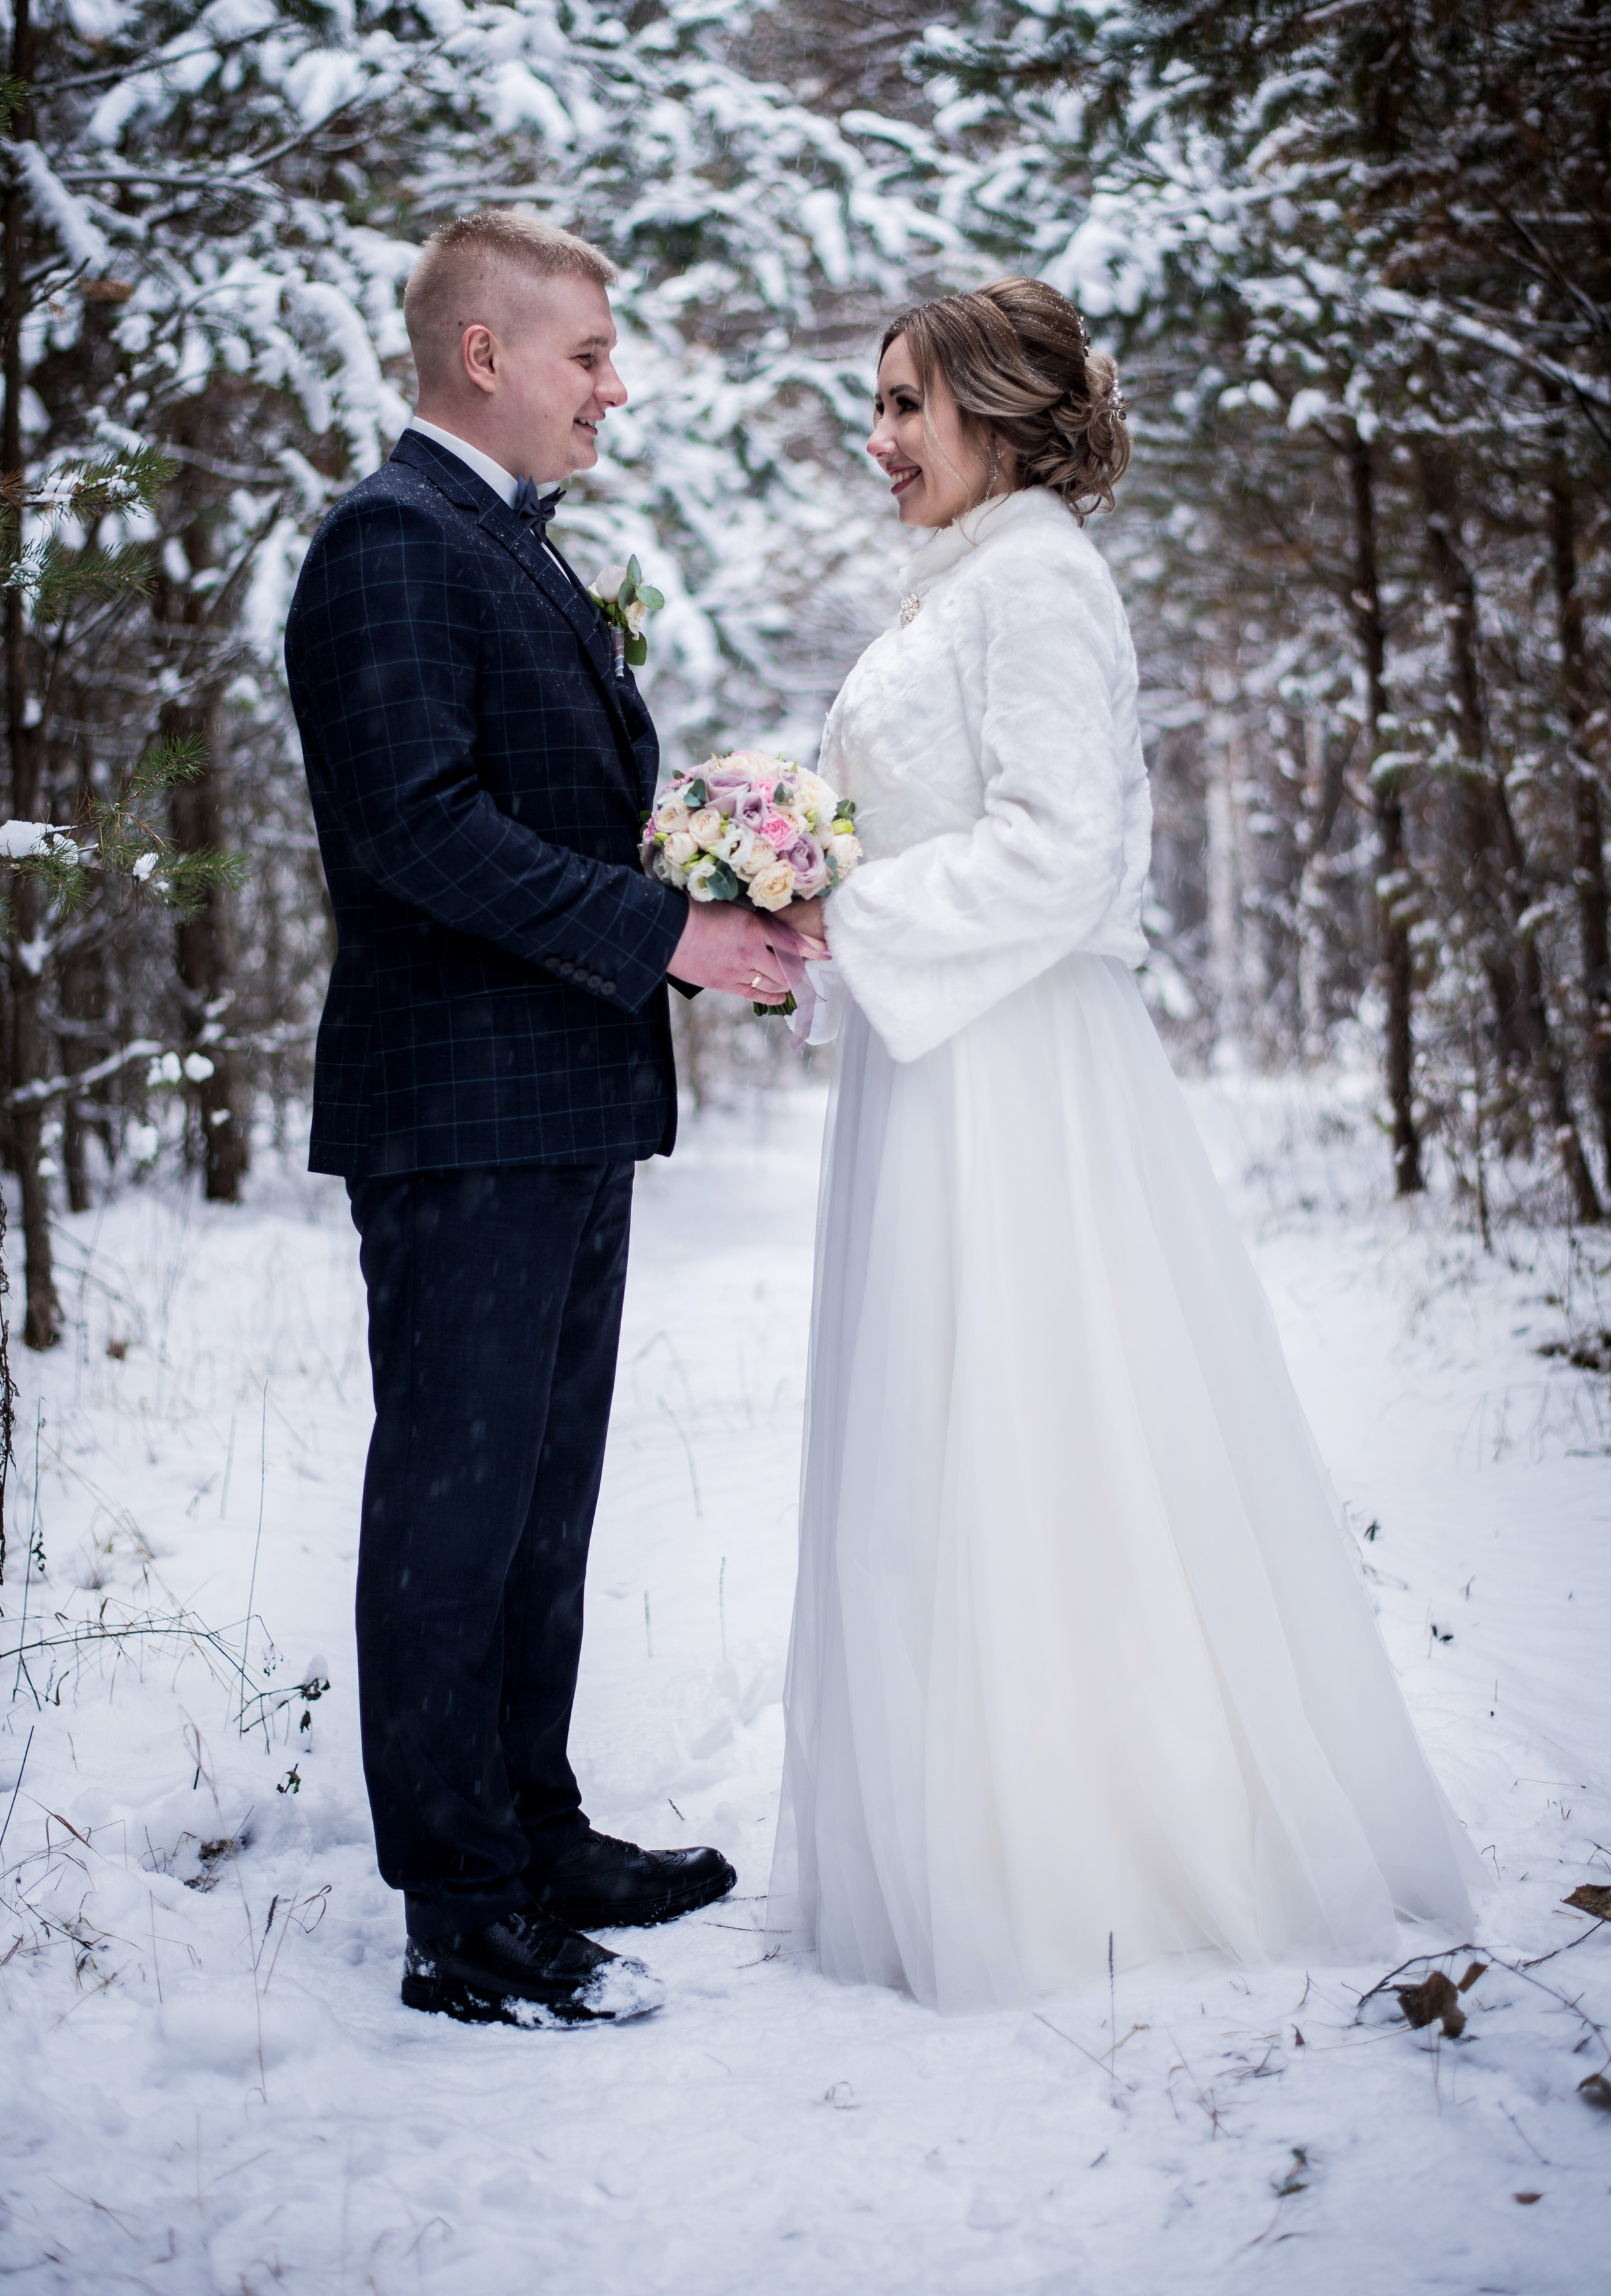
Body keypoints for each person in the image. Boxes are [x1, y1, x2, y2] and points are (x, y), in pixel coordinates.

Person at [769, 277, 1482, 2014]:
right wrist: (790, 874)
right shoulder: (965, 581)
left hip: (1019, 1079)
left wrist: (844, 910)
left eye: (908, 407)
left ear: (1001, 417)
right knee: (942, 1433)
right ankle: (962, 1824)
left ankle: (1090, 1843)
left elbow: (1062, 849)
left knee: (1038, 1424)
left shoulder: (1036, 584)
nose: (878, 439)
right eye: (878, 405)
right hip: (936, 1058)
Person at [285, 207, 825, 2029]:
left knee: (538, 1498)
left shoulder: (508, 546)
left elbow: (547, 814)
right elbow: (416, 832)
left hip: (565, 1097)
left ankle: (534, 1827)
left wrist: (715, 887)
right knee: (454, 1505)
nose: (616, 388)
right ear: (484, 355)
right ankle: (462, 1911)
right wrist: (667, 929)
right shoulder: (388, 543)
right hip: (459, 1109)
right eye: (589, 354)